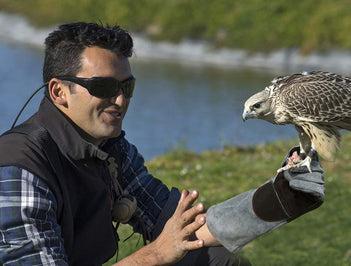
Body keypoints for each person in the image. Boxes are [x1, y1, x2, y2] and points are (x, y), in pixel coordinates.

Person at [0, 22, 325, 265]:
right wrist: (156, 254)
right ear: (58, 92)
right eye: (103, 86)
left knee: (216, 260)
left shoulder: (109, 149)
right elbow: (165, 246)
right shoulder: (19, 168)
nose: (119, 100)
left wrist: (281, 197)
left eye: (127, 87)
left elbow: (181, 228)